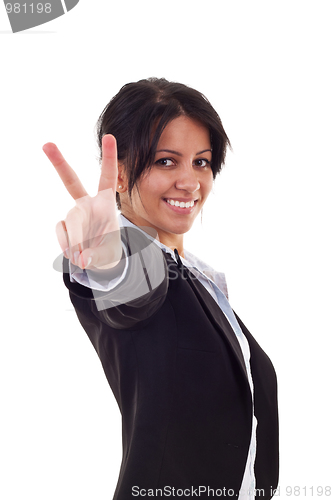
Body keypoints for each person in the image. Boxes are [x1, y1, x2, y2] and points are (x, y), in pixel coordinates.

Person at [43, 78, 279, 500]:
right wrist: (108, 258)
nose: (190, 182)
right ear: (119, 174)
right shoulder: (133, 268)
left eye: (201, 162)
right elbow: (128, 292)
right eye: (166, 162)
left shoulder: (199, 280)